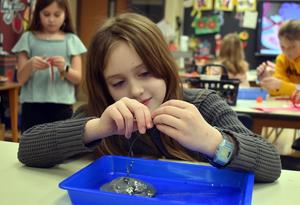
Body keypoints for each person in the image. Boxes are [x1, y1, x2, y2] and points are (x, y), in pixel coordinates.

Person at [18, 13, 281, 183]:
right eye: (118, 82)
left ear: (164, 66)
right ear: (104, 86)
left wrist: (212, 141)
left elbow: (271, 165)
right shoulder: (104, 114)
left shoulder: (203, 104)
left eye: (146, 73)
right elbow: (27, 148)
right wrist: (97, 127)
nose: (135, 91)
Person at [12, 0, 87, 132]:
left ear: (65, 15)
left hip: (62, 106)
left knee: (61, 148)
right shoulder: (28, 38)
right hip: (32, 106)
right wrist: (30, 65)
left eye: (57, 15)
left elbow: (78, 78)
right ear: (38, 14)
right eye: (46, 14)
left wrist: (65, 68)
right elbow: (20, 79)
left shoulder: (71, 40)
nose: (51, 20)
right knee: (31, 146)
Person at [257, 20, 300, 97]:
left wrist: (282, 86)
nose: (287, 52)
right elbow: (276, 91)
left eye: (292, 47)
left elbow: (282, 86)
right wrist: (268, 79)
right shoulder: (281, 59)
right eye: (282, 47)